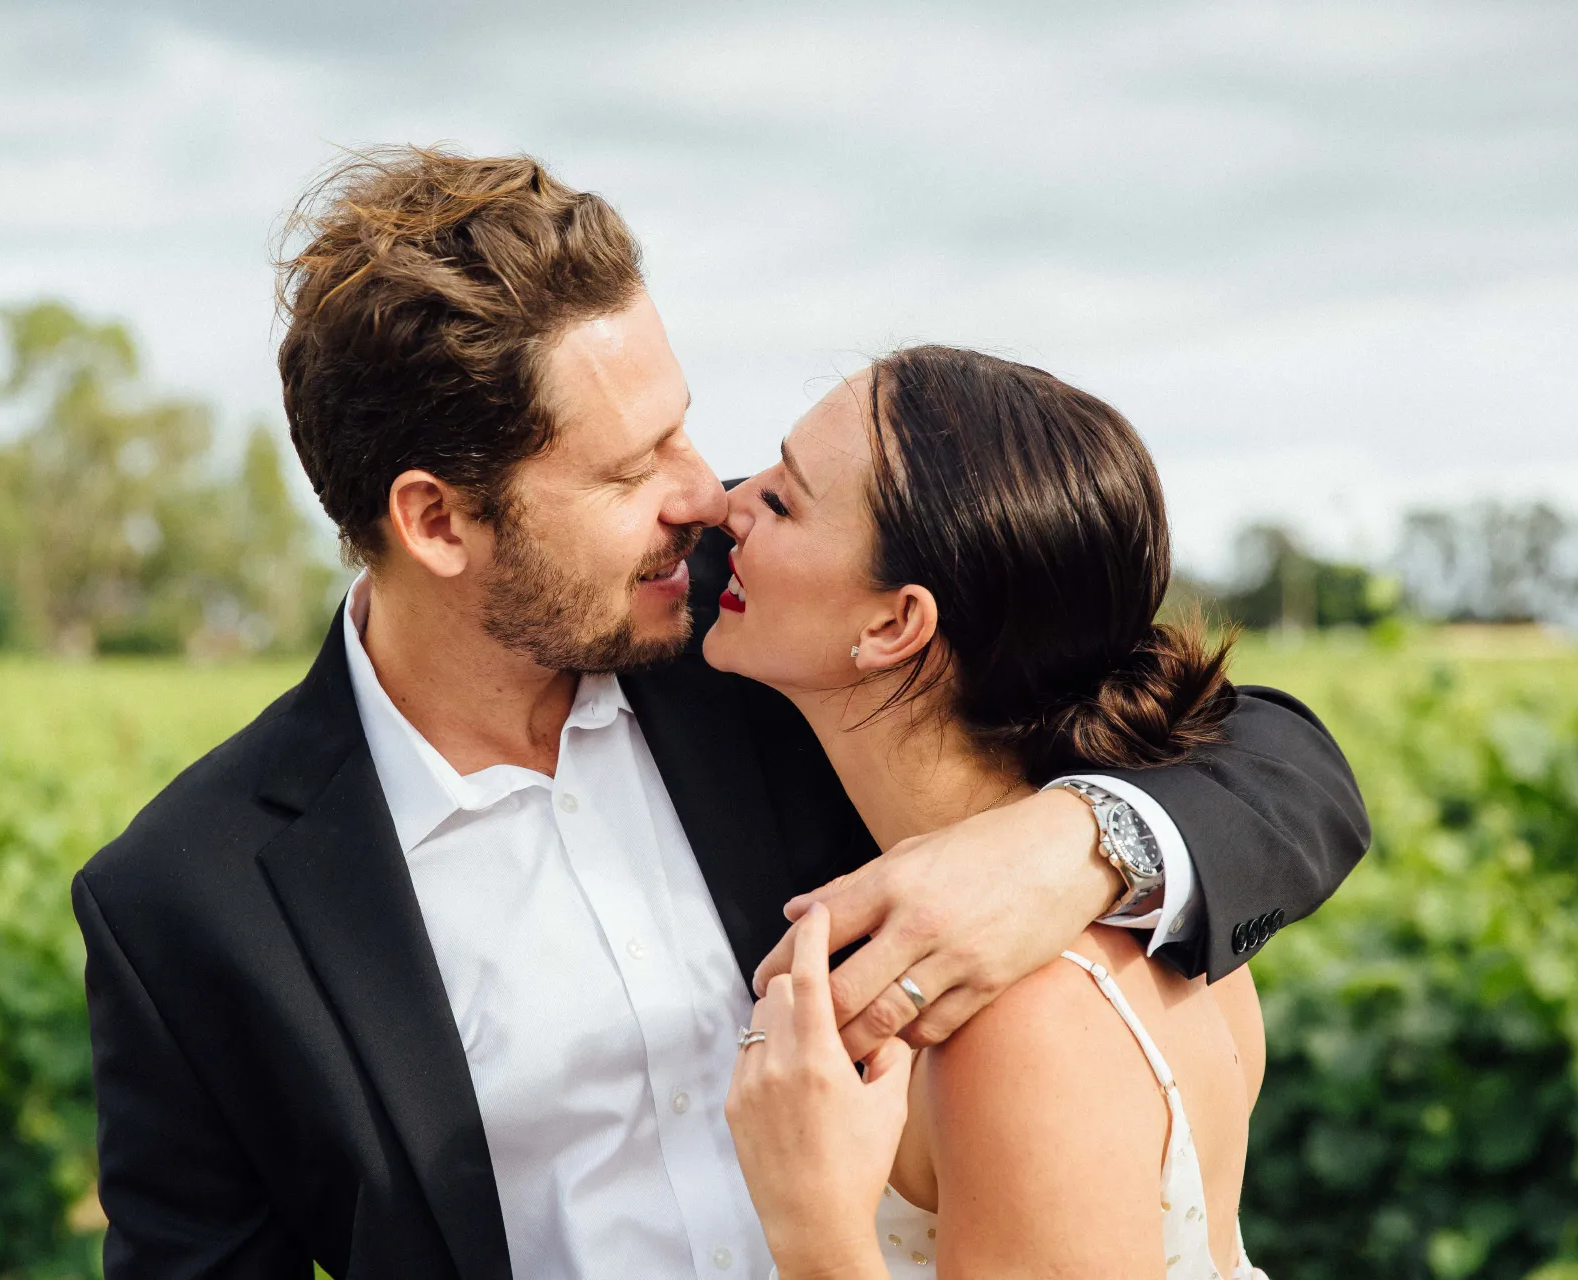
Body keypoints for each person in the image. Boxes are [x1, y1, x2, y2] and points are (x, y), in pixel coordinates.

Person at [73, 148, 1366, 1279]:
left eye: (684, 428)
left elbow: (1279, 763)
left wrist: (1066, 848)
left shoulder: (773, 618)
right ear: (437, 520)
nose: (705, 493)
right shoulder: (188, 907)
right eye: (633, 468)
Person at [717, 348, 1275, 1278]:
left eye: (782, 500)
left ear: (895, 626)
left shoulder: (1024, 1023)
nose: (729, 503)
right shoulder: (1169, 911)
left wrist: (814, 1230)